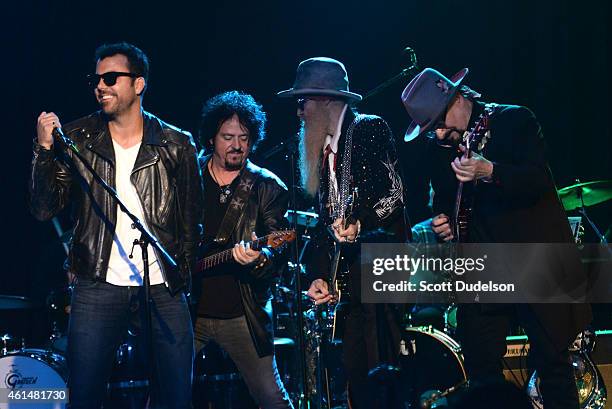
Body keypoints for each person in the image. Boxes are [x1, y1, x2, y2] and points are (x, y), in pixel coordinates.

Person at [401, 67, 592, 409]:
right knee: (481, 368)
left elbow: (538, 182)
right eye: (433, 131)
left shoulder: (514, 121)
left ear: (458, 99)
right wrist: (443, 224)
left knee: (552, 363)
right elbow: (445, 202)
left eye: (442, 124)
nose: (442, 134)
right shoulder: (441, 150)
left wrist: (490, 171)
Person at [30, 42, 203, 409]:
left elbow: (191, 221)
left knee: (176, 397)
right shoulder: (77, 139)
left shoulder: (176, 145)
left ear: (138, 84)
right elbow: (45, 209)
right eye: (96, 79)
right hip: (98, 285)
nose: (100, 86)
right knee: (87, 395)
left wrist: (182, 275)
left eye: (111, 78)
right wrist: (44, 150)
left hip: (162, 288)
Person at [278, 57, 410, 408]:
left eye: (302, 102)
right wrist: (320, 275)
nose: (299, 113)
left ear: (325, 101)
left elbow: (395, 194)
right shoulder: (323, 155)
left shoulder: (368, 128)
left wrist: (361, 222)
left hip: (382, 275)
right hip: (351, 287)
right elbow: (324, 224)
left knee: (384, 376)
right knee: (355, 375)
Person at [193, 91, 294, 409]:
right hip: (187, 310)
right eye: (227, 137)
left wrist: (260, 258)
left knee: (271, 397)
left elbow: (279, 247)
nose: (236, 145)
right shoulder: (187, 176)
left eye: (243, 138)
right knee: (164, 395)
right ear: (212, 138)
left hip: (242, 313)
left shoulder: (267, 186)